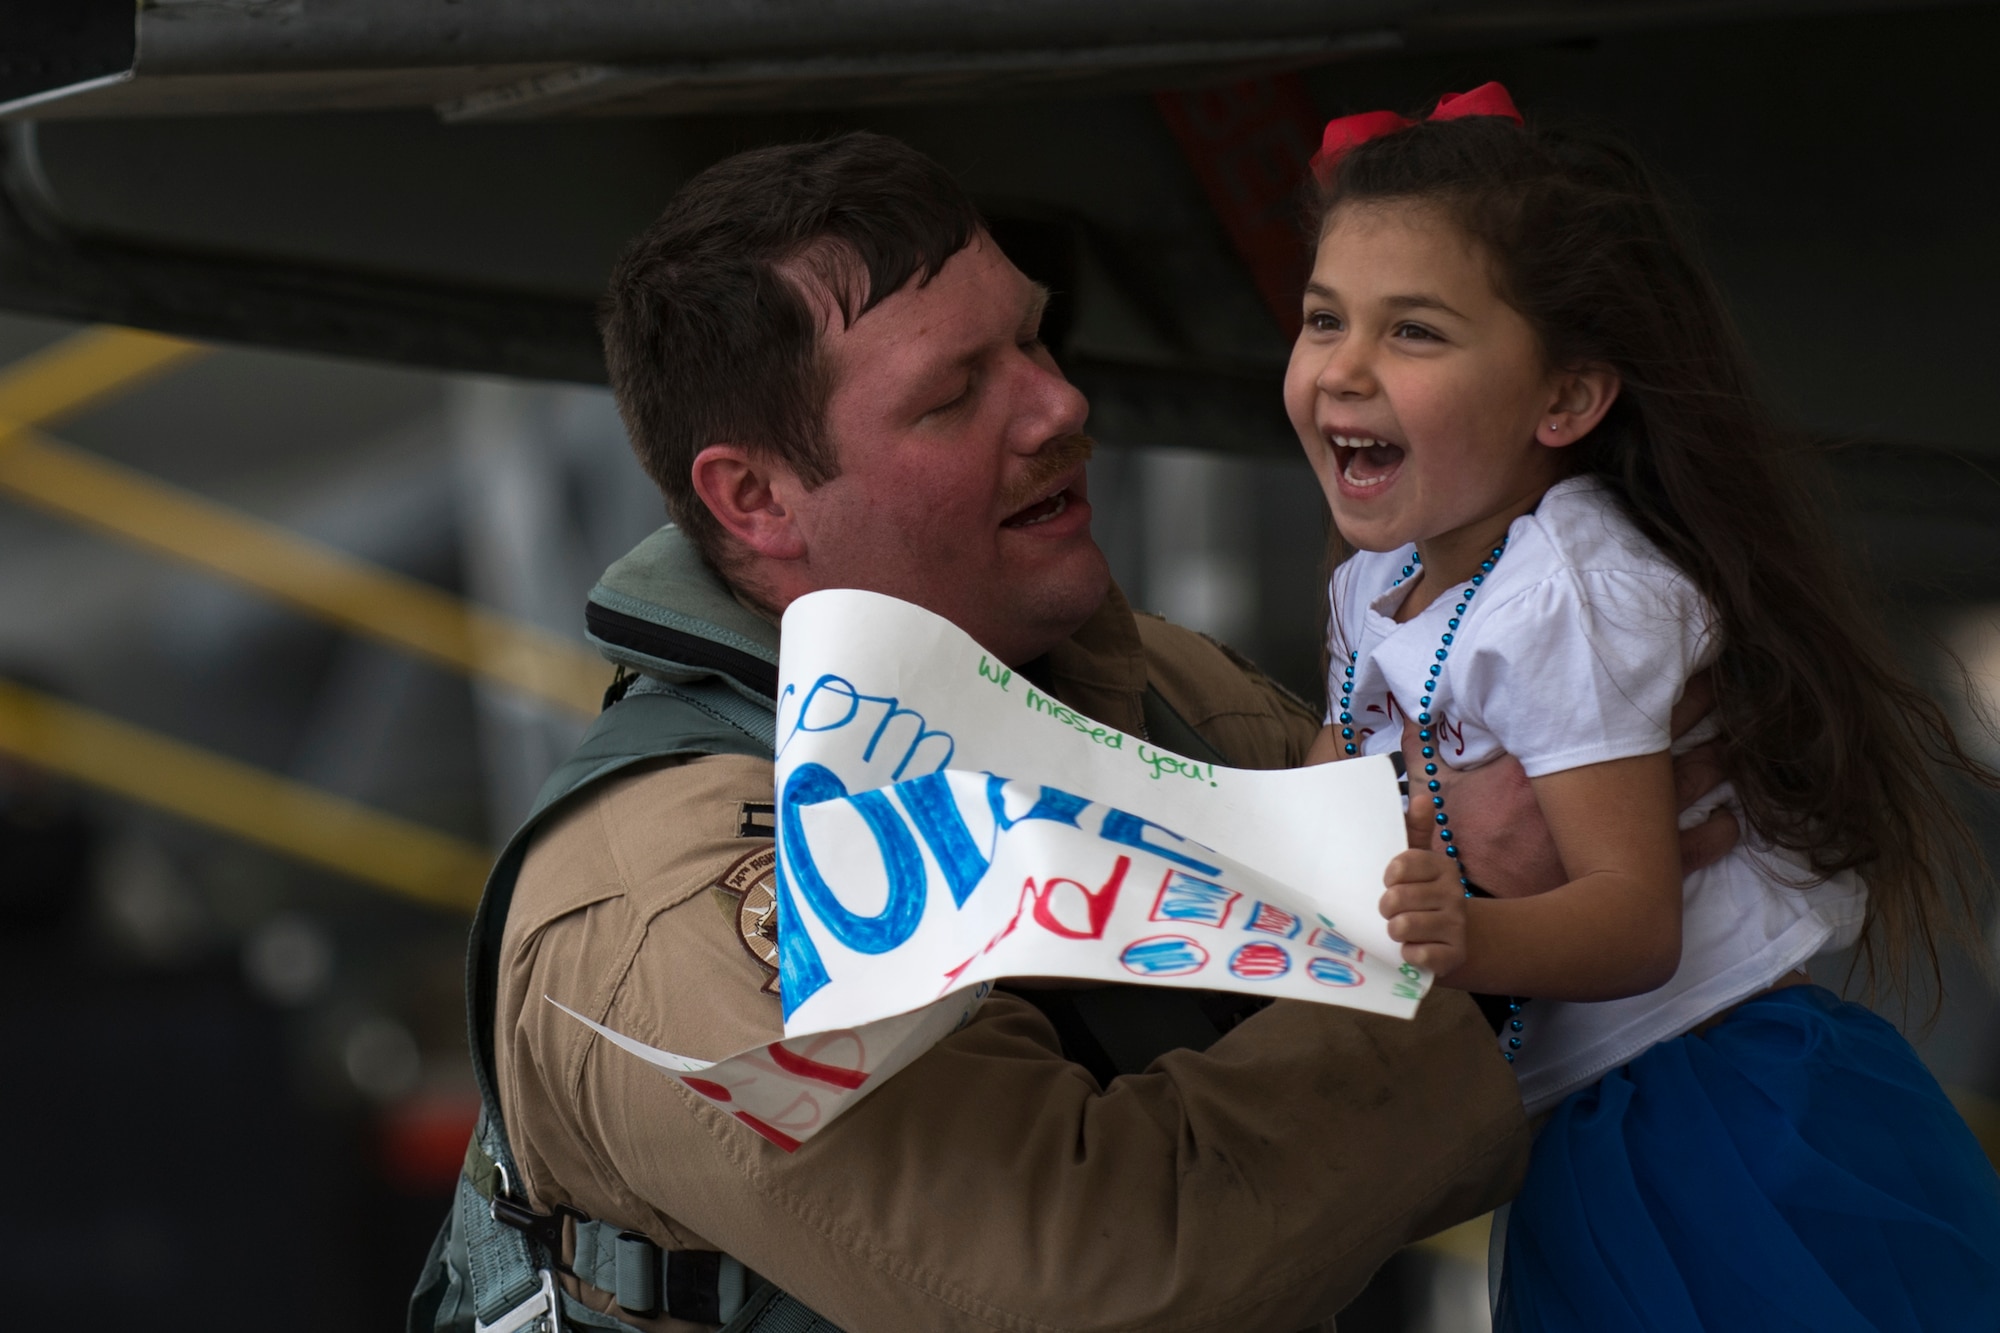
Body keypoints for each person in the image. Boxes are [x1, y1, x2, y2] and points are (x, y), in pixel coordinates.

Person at [411, 131, 1727, 1333]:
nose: (1058, 409)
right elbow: (1075, 1282)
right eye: (954, 395)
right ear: (756, 496)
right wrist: (1476, 938)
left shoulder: (1145, 682)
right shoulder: (667, 896)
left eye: (1034, 343)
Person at [1290, 84, 2000, 1330]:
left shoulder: (1569, 593)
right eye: (1321, 319)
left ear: (1563, 401)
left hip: (1704, 1116)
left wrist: (1462, 934)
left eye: (1413, 332)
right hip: (1591, 1116)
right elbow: (1341, 772)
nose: (1340, 368)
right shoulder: (1376, 583)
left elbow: (1633, 924)